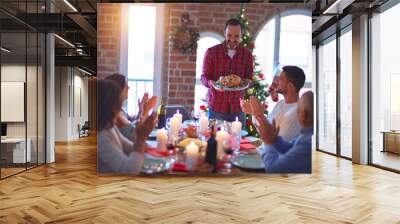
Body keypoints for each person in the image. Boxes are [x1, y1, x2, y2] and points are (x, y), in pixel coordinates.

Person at [97, 79, 157, 174]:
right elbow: (129, 170)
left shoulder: (110, 127)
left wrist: (157, 151)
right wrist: (141, 139)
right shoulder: (101, 137)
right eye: (118, 102)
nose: (120, 108)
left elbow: (131, 148)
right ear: (109, 106)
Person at [201, 18, 253, 124]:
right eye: (229, 35)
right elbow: (204, 77)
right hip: (216, 107)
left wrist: (246, 83)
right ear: (225, 34)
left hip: (238, 109)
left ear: (241, 36)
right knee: (214, 140)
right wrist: (212, 83)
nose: (232, 39)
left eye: (236, 36)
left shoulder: (247, 55)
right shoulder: (212, 52)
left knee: (238, 140)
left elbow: (250, 79)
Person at [249, 91, 313, 173]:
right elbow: (288, 147)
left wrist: (269, 142)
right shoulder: (305, 134)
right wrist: (274, 139)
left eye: (298, 109)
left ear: (304, 115)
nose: (297, 112)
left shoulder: (308, 142)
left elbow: (273, 169)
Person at [241, 65, 305, 141]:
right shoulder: (280, 103)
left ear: (290, 86)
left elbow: (275, 142)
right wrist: (254, 113)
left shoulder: (298, 111)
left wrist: (259, 114)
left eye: (280, 79)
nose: (276, 82)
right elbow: (263, 131)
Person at [105, 74, 157, 140]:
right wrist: (146, 110)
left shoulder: (119, 110)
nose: (128, 87)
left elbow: (132, 125)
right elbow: (135, 135)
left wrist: (141, 110)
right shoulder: (116, 114)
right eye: (126, 86)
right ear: (118, 90)